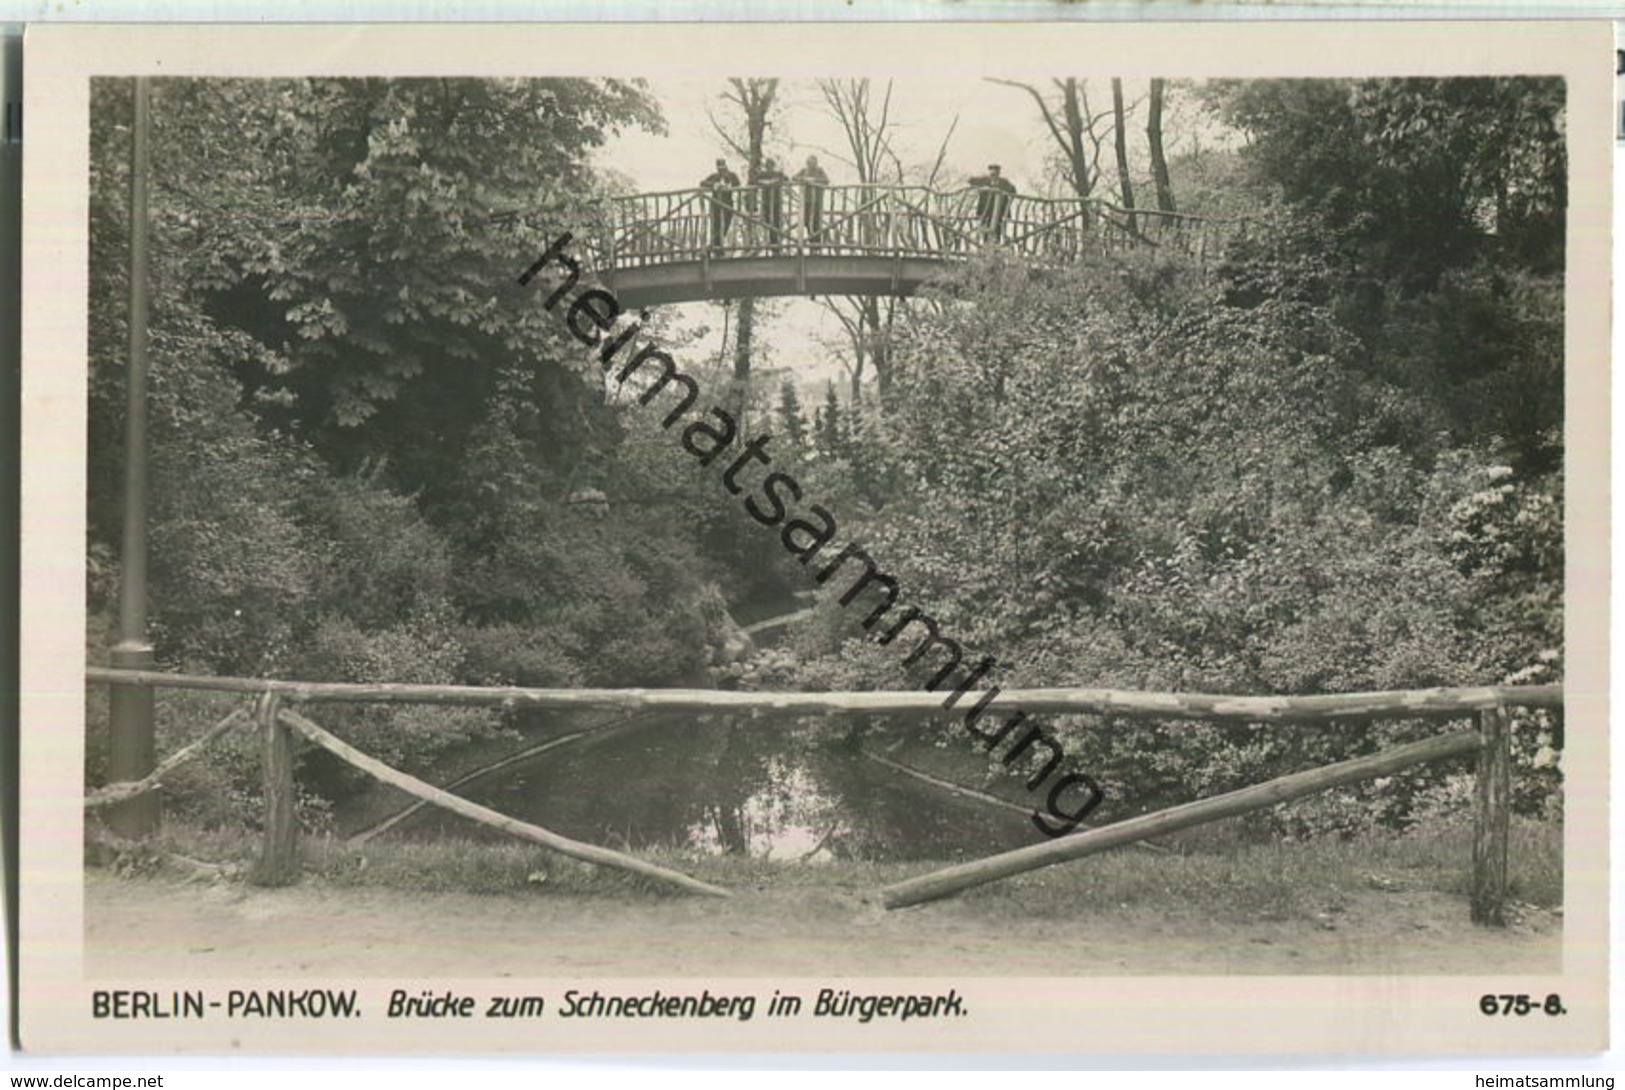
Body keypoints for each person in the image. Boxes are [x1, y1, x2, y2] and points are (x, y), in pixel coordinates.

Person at [700, 158, 741, 254]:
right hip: (715, 205)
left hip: (727, 204)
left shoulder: (731, 175)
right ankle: (717, 248)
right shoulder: (714, 176)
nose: (721, 170)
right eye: (719, 167)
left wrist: (728, 186)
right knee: (716, 227)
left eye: (723, 167)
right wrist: (714, 185)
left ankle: (715, 246)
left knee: (725, 226)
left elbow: (738, 184)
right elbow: (702, 183)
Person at [969, 163, 1017, 241]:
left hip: (999, 212)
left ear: (999, 173)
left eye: (996, 173)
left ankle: (996, 244)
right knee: (985, 229)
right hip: (986, 210)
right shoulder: (984, 180)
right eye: (992, 174)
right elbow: (971, 180)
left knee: (998, 230)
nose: (994, 176)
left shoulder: (1004, 182)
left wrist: (1005, 194)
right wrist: (982, 188)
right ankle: (985, 245)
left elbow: (1013, 191)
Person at [753, 157, 789, 249]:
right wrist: (764, 183)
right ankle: (772, 241)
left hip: (776, 201)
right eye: (767, 165)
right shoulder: (762, 174)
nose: (769, 167)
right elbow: (755, 181)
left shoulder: (778, 174)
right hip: (766, 202)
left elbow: (786, 179)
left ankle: (776, 242)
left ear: (773, 166)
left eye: (771, 165)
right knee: (768, 221)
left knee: (777, 221)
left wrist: (776, 181)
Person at [794, 155, 829, 248]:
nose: (810, 165)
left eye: (812, 163)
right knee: (805, 221)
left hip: (817, 201)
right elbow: (794, 178)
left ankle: (816, 242)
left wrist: (814, 181)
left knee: (816, 222)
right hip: (806, 200)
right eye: (809, 163)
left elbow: (826, 181)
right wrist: (803, 180)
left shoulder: (820, 171)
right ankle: (811, 239)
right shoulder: (804, 171)